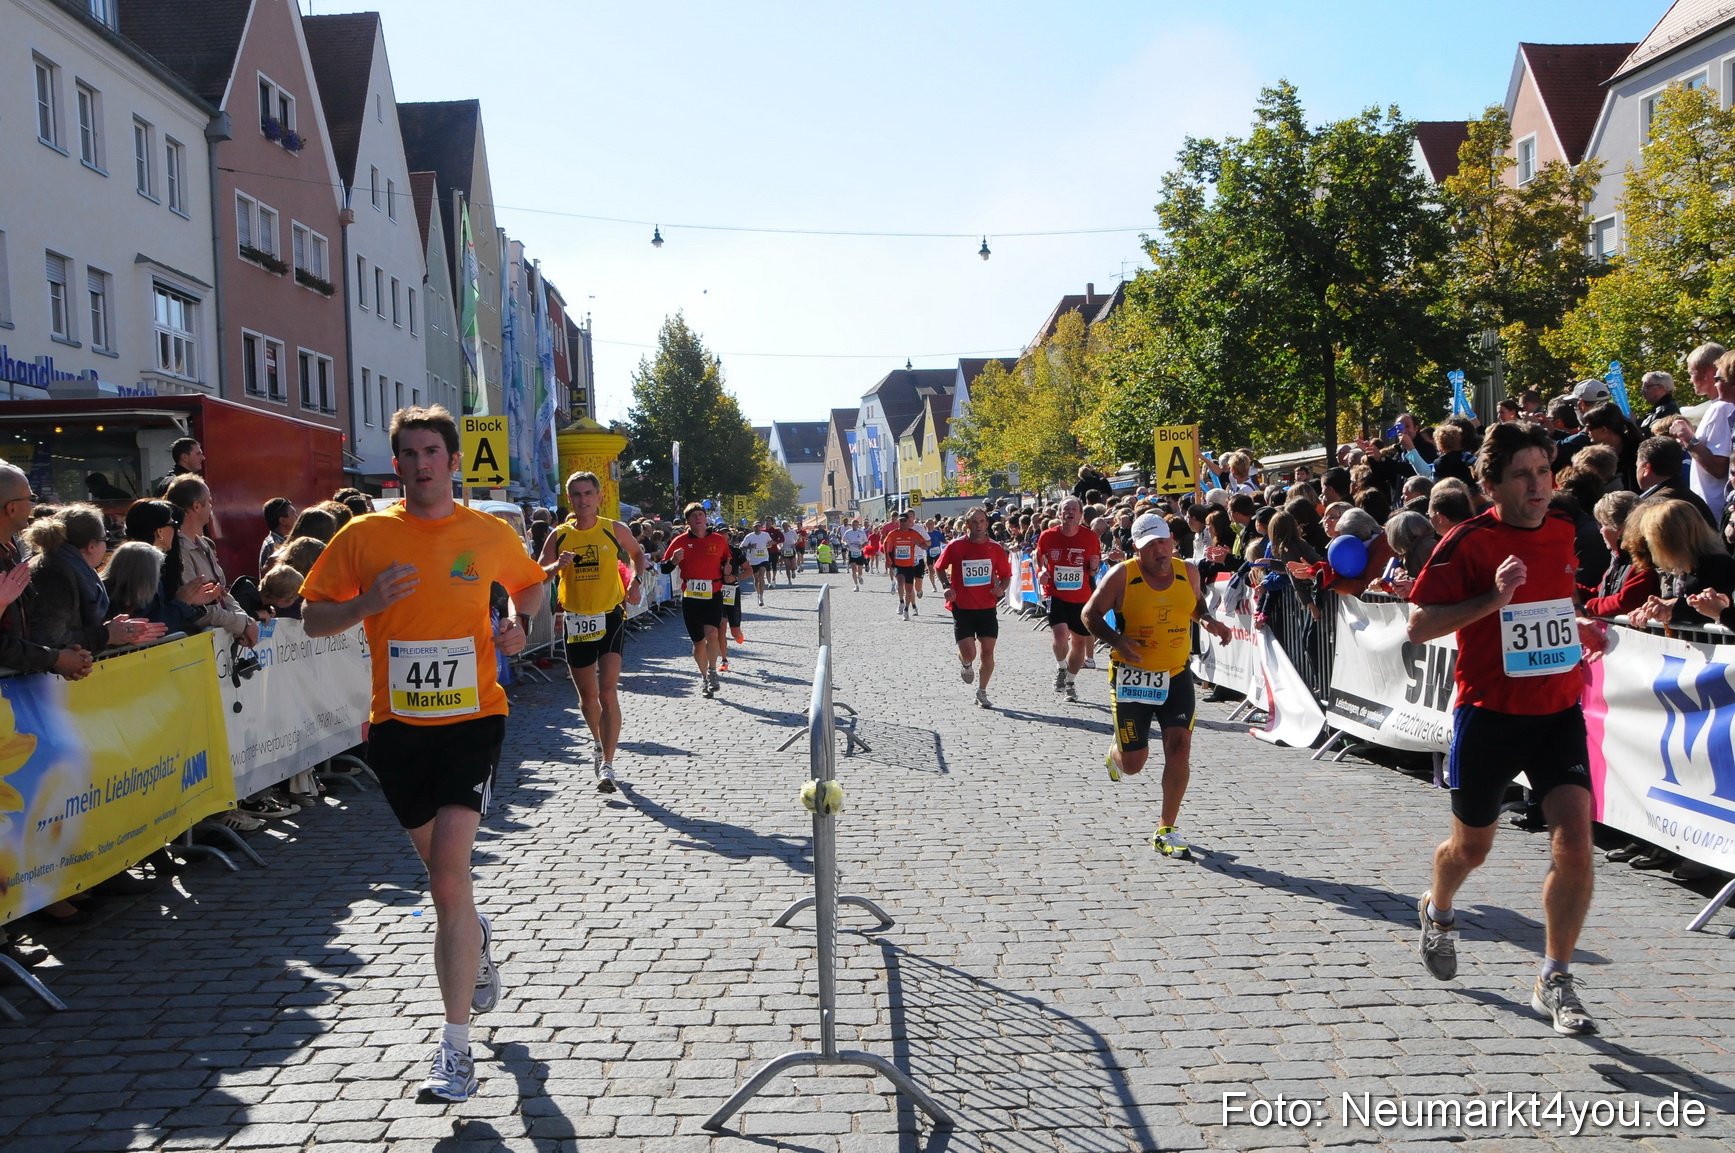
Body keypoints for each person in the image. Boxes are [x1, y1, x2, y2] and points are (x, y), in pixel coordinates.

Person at [301, 405, 548, 1103]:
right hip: (398, 729)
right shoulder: (365, 535)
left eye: (431, 450)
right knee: (449, 885)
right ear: (396, 463)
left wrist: (515, 620)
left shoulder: (484, 531)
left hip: (473, 720)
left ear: (452, 459)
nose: (419, 464)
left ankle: (455, 1049)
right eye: (407, 453)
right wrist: (365, 602)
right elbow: (312, 615)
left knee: (445, 878)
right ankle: (477, 939)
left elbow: (528, 582)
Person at [1406, 421, 1606, 1035]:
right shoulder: (1469, 541)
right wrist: (1492, 601)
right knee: (1472, 849)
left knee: (1575, 841)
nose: (1538, 484)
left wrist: (1581, 629)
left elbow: (1554, 610)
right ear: (1492, 485)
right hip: (1490, 714)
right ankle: (1438, 910)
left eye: (1544, 471)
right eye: (1522, 475)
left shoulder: (1568, 529)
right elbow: (1419, 625)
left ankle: (1556, 976)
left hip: (1557, 711)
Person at [1081, 513, 1232, 859]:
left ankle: (1166, 828)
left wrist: (1208, 621)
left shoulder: (1187, 571)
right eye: (1151, 545)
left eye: (1164, 542)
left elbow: (1195, 604)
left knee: (1179, 748)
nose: (1160, 551)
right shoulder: (1123, 575)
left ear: (1172, 542)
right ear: (1137, 548)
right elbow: (1089, 614)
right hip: (1132, 677)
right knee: (1134, 764)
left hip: (1176, 673)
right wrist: (1117, 641)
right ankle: (1117, 753)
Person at [538, 471, 646, 793]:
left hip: (611, 616)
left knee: (607, 692)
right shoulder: (558, 535)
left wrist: (636, 581)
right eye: (577, 495)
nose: (583, 500)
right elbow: (538, 574)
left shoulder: (614, 529)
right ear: (569, 499)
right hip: (576, 621)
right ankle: (598, 744)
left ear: (599, 497)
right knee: (587, 698)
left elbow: (638, 555)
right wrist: (557, 567)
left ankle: (608, 766)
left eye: (588, 494)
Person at [24, 505, 165, 652]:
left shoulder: (64, 566)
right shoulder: (56, 574)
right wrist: (107, 634)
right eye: (106, 538)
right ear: (91, 546)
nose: (107, 545)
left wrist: (118, 631)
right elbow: (51, 638)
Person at [934, 508, 1011, 708]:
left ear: (987, 524)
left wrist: (1000, 589)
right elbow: (939, 567)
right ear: (967, 525)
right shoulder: (955, 546)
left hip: (987, 607)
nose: (978, 525)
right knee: (970, 653)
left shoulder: (995, 548)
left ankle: (982, 691)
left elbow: (1006, 576)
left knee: (987, 652)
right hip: (963, 607)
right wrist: (946, 586)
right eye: (974, 522)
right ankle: (966, 663)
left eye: (982, 521)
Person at [660, 504, 735, 697]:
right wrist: (674, 561)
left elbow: (728, 561)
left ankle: (712, 671)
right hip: (691, 597)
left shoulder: (718, 540)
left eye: (701, 514)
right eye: (694, 516)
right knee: (698, 642)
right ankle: (703, 677)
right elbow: (664, 568)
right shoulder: (680, 541)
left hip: (713, 593)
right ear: (688, 521)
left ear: (706, 518)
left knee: (712, 632)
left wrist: (728, 569)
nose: (698, 518)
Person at [1034, 497, 1102, 702]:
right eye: (1066, 509)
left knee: (1079, 643)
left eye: (1074, 509)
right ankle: (1061, 666)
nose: (1070, 512)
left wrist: (1093, 566)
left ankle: (1070, 682)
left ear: (1081, 515)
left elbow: (1093, 570)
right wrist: (1040, 572)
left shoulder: (1090, 538)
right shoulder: (1047, 536)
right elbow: (1038, 557)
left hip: (1081, 596)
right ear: (1059, 514)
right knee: (1061, 635)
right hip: (1056, 594)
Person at [1673, 342, 1733, 516]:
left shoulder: (1722, 408)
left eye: (1692, 373)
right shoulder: (1718, 407)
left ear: (1707, 372)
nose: (1690, 380)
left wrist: (1687, 438)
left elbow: (1718, 469)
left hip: (1716, 510)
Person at [882, 510, 930, 620]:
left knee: (909, 589)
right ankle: (901, 602)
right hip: (898, 564)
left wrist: (919, 544)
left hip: (910, 565)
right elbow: (885, 542)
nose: (903, 523)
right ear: (898, 522)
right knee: (900, 582)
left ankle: (907, 609)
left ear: (908, 522)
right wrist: (887, 558)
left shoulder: (913, 533)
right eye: (901, 521)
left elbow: (926, 546)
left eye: (905, 521)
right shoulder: (893, 533)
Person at [259, 497, 297, 578]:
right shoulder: (272, 546)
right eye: (294, 514)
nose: (297, 517)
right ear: (283, 520)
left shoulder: (286, 540)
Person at [741, 520, 775, 605]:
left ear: (761, 527)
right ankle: (758, 594)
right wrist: (750, 546)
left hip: (764, 558)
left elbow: (770, 543)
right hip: (753, 560)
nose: (757, 528)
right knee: (756, 579)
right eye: (755, 526)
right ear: (753, 528)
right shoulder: (749, 536)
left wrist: (770, 544)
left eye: (759, 526)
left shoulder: (765, 535)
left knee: (761, 576)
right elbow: (741, 547)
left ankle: (761, 596)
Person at [841, 518, 869, 590]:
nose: (854, 526)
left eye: (856, 524)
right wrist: (845, 543)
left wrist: (862, 546)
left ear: (858, 525)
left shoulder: (861, 532)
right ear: (851, 525)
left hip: (859, 552)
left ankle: (859, 576)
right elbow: (842, 540)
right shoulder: (848, 532)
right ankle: (856, 585)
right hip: (851, 552)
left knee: (860, 571)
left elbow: (866, 542)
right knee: (853, 569)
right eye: (853, 524)